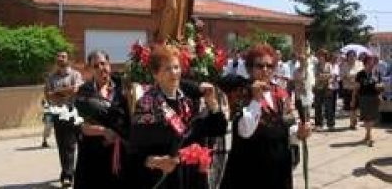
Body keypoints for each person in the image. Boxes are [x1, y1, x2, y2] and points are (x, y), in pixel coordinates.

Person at [128, 44, 227, 189]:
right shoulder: (147, 104)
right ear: (156, 74)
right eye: (167, 69)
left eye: (176, 67)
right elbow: (135, 151)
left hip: (191, 176)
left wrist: (212, 103)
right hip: (165, 178)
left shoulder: (188, 100)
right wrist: (155, 161)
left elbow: (218, 129)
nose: (174, 73)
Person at [219, 43, 311, 189]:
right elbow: (244, 131)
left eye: (269, 66)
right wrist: (255, 100)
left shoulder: (280, 93)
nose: (265, 70)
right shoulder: (241, 92)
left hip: (278, 170)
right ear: (250, 69)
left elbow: (288, 126)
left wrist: (299, 134)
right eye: (259, 66)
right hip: (250, 171)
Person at [74, 50, 131, 189]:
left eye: (103, 63)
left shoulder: (123, 89)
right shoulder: (84, 92)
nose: (101, 68)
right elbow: (80, 125)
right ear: (90, 70)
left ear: (109, 65)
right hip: (92, 156)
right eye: (95, 66)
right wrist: (104, 131)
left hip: (118, 155)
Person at [44, 51, 83, 188]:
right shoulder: (51, 77)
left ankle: (67, 176)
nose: (60, 58)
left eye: (63, 56)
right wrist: (66, 91)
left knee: (71, 145)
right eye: (58, 57)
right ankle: (67, 173)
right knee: (62, 145)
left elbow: (76, 90)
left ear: (68, 59)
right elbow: (48, 95)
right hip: (57, 114)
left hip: (72, 113)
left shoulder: (75, 74)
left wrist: (57, 93)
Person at [352, 56, 384, 147]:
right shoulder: (360, 74)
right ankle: (368, 134)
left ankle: (369, 134)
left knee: (373, 117)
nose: (372, 64)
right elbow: (356, 87)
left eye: (373, 62)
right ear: (365, 63)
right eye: (370, 62)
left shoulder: (377, 73)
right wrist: (353, 99)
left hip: (374, 97)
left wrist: (380, 91)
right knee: (366, 117)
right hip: (363, 97)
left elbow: (381, 85)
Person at [340, 50, 363, 129]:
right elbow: (342, 76)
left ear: (356, 57)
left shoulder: (360, 64)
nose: (351, 57)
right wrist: (349, 79)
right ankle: (352, 122)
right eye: (350, 56)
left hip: (358, 88)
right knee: (350, 106)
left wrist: (357, 80)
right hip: (348, 88)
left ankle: (354, 120)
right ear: (347, 57)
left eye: (353, 56)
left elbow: (362, 75)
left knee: (356, 106)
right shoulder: (344, 65)